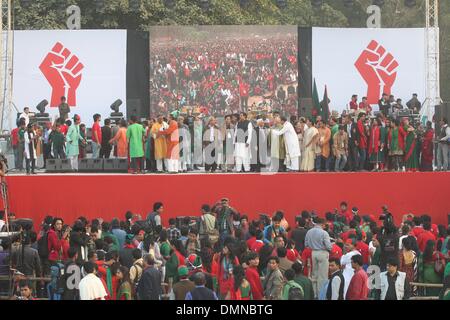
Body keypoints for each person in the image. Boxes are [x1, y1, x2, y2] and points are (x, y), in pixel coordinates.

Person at [305, 217, 332, 298]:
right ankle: (321, 295)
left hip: (313, 253)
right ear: (322, 224)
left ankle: (314, 294)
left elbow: (306, 244)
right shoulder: (324, 233)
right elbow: (329, 247)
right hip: (323, 253)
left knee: (314, 275)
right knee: (323, 276)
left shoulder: (309, 231)